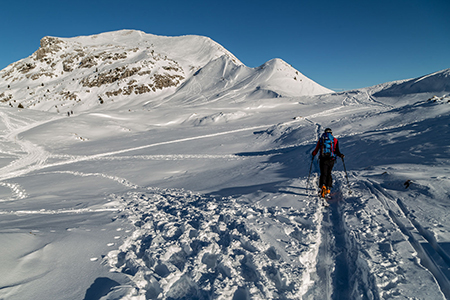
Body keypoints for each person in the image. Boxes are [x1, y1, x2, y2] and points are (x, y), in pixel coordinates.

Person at [312, 128, 344, 197]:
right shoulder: (334, 140)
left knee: (323, 173)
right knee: (329, 173)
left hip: (323, 159)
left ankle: (323, 186)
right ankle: (328, 188)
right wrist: (340, 155)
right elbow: (337, 151)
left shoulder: (321, 139)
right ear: (331, 133)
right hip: (331, 159)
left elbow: (316, 149)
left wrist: (313, 154)